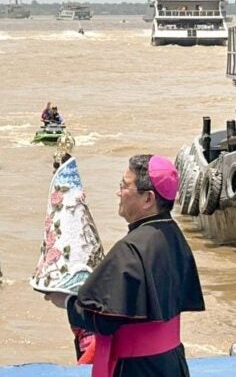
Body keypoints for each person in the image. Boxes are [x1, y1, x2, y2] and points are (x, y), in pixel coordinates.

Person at [45, 155, 204, 376]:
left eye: (124, 186)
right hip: (172, 362)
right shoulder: (175, 235)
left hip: (137, 368)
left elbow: (104, 319)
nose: (118, 192)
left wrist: (66, 301)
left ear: (148, 199)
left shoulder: (130, 249)